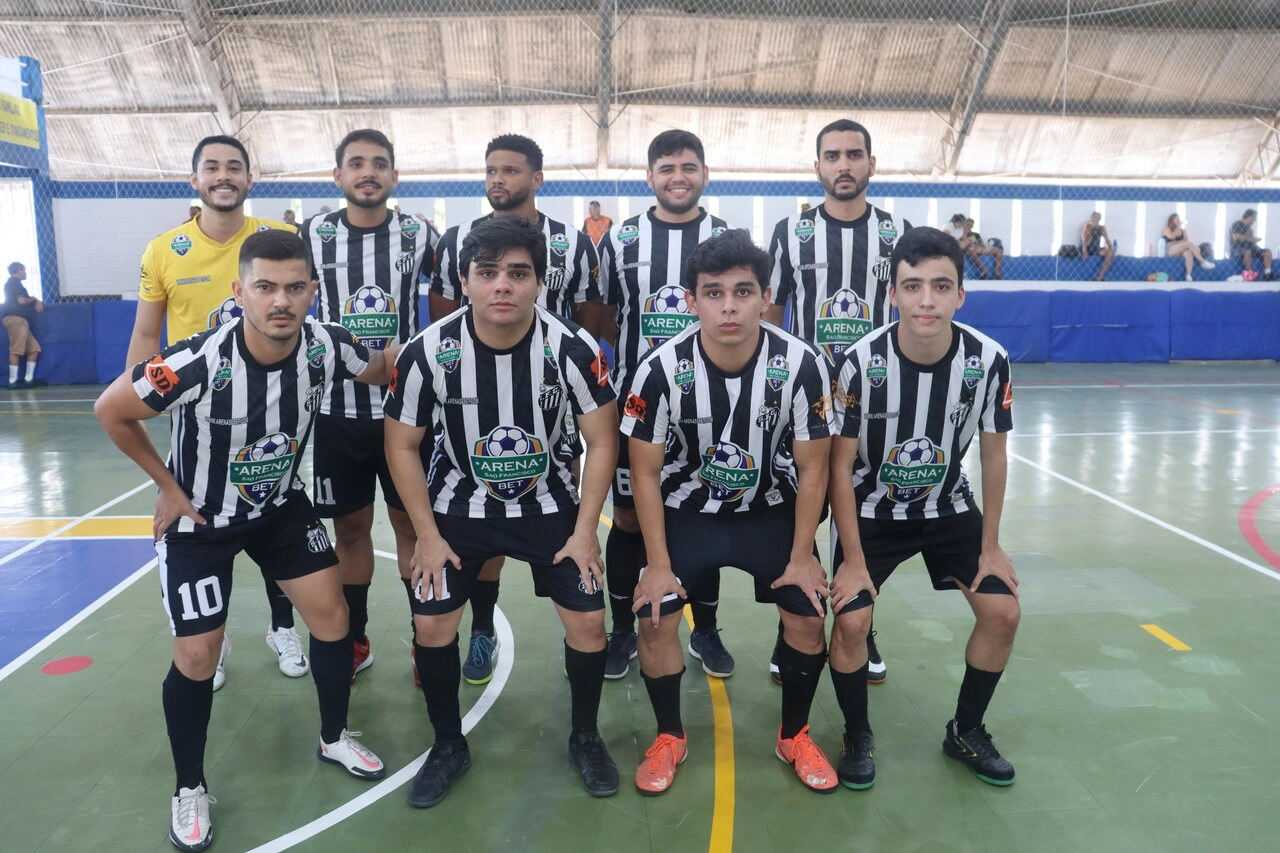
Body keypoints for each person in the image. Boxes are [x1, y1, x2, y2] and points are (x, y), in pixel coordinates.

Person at [94, 230, 389, 853]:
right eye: (265, 287)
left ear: (313, 291)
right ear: (240, 291)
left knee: (333, 619)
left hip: (279, 510)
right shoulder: (197, 360)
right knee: (198, 658)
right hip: (201, 522)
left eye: (294, 287)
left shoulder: (327, 345)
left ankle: (333, 735)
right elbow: (111, 410)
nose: (280, 300)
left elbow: (381, 368)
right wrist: (168, 486)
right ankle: (189, 787)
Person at [384, 217, 620, 808]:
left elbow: (604, 441)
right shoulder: (427, 351)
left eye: (518, 274)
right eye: (487, 274)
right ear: (464, 281)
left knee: (591, 623)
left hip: (552, 506)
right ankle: (447, 744)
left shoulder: (572, 348)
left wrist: (587, 531)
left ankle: (585, 735)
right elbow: (401, 445)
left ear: (540, 282)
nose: (502, 287)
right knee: (433, 623)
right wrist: (428, 537)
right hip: (458, 507)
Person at [623, 229, 837, 796]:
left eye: (743, 292)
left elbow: (814, 469)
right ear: (690, 301)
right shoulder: (659, 369)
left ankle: (794, 733)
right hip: (686, 512)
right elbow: (643, 472)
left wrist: (801, 556)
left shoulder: (801, 364)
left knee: (810, 615)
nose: (729, 306)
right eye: (713, 293)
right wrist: (658, 563)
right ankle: (669, 735)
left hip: (769, 510)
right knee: (656, 617)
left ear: (766, 296)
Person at [826, 226, 1019, 791]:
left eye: (941, 285)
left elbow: (993, 455)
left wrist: (990, 546)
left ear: (962, 293)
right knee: (853, 619)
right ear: (893, 293)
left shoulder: (989, 360)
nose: (926, 300)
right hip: (869, 511)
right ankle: (857, 733)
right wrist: (853, 561)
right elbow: (838, 467)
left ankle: (966, 728)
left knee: (1003, 612)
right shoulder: (859, 364)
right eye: (913, 286)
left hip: (948, 505)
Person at [127, 135, 303, 691]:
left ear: (250, 180)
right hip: (199, 413)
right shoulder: (163, 250)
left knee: (275, 511)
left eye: (234, 167)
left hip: (277, 406)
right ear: (195, 181)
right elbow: (144, 333)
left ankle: (282, 627)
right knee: (199, 524)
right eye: (212, 167)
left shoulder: (280, 240)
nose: (223, 175)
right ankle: (214, 637)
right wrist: (140, 403)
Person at [429, 133, 604, 686]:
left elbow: (592, 318)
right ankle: (481, 626)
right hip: (476, 407)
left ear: (536, 177)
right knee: (487, 515)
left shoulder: (573, 244)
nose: (498, 180)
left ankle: (586, 657)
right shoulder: (457, 239)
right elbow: (441, 318)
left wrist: (569, 381)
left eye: (510, 170)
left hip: (553, 410)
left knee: (548, 509)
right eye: (490, 171)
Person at [764, 118, 912, 686]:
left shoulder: (898, 235)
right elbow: (773, 319)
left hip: (876, 398)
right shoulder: (790, 234)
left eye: (854, 155)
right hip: (807, 397)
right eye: (833, 156)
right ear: (818, 166)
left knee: (862, 512)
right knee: (801, 511)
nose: (843, 165)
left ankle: (860, 622)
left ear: (871, 165)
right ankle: (793, 627)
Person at [597, 129, 737, 680]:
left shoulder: (728, 235)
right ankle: (622, 632)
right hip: (641, 408)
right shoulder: (622, 239)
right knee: (629, 518)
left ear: (705, 173)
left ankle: (705, 629)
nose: (678, 176)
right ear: (649, 176)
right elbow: (606, 316)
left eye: (688, 166)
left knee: (703, 510)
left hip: (716, 405)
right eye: (666, 167)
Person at [300, 129, 437, 684]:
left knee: (412, 528)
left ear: (394, 177)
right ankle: (355, 639)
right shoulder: (312, 234)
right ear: (338, 176)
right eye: (356, 163)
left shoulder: (416, 234)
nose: (368, 172)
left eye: (379, 163)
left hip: (402, 413)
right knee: (351, 533)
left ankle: (425, 641)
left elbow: (452, 297)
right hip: (336, 412)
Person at [2, 261, 44, 389]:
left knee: (34, 348)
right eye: (23, 270)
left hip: (20, 321)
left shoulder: (14, 284)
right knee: (16, 349)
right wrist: (34, 299)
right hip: (16, 319)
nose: (25, 273)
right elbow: (22, 300)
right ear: (17, 271)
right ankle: (12, 381)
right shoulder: (14, 283)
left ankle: (28, 379)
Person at [1162, 214, 1215, 281]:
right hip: (1170, 250)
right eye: (1177, 219)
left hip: (1180, 250)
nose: (1179, 220)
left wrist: (1179, 242)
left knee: (1188, 253)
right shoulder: (1167, 229)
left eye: (1179, 219)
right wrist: (1179, 240)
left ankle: (1188, 275)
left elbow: (1186, 240)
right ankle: (1203, 262)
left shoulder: (1182, 230)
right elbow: (1171, 236)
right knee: (1189, 244)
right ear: (1172, 221)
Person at [1229, 209, 1275, 280]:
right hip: (1237, 249)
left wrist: (1255, 240)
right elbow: (1237, 236)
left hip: (1251, 248)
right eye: (1254, 218)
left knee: (1267, 252)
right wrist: (1251, 239)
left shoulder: (1249, 229)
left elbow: (1249, 240)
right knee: (1247, 251)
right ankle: (1249, 274)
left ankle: (1267, 273)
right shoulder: (1237, 224)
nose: (1254, 221)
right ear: (1250, 217)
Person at [1080, 212, 1115, 281]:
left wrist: (1111, 250)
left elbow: (1107, 239)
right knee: (1088, 227)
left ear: (1100, 219)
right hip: (1088, 247)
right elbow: (1083, 237)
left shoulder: (1102, 228)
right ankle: (1085, 250)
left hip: (1097, 249)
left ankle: (1100, 275)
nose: (1096, 218)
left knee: (1110, 253)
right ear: (1091, 218)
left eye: (1098, 217)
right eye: (1094, 217)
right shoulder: (1087, 225)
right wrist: (1084, 249)